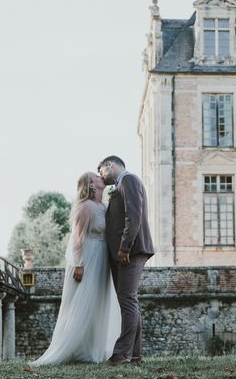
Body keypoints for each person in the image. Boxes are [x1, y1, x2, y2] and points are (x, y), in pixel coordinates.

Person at [30, 172, 121, 365]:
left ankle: (91, 349)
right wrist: (78, 265)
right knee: (83, 300)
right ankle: (70, 347)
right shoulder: (86, 207)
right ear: (90, 184)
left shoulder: (103, 206)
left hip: (103, 258)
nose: (101, 176)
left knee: (98, 301)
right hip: (89, 257)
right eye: (97, 176)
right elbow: (77, 239)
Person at [98, 155, 154, 366]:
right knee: (129, 301)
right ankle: (136, 354)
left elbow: (134, 214)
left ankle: (121, 353)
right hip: (122, 253)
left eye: (101, 171)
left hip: (129, 251)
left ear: (109, 165)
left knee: (127, 300)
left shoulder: (129, 179)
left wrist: (124, 246)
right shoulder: (121, 184)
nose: (101, 177)